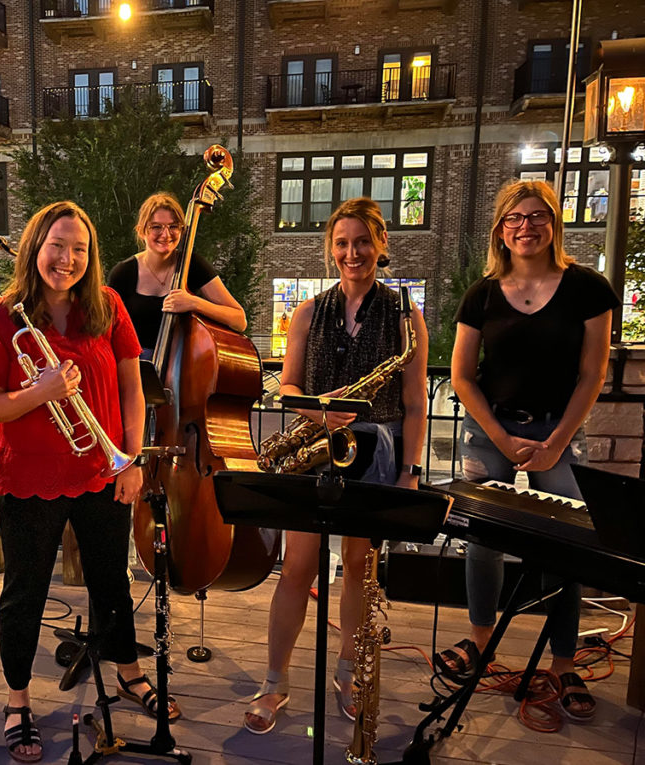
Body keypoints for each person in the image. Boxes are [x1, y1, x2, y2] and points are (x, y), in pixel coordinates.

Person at [0, 201, 181, 763]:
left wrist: (131, 459)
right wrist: (40, 393)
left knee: (110, 581)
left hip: (101, 473)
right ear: (35, 247)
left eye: (79, 249)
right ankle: (17, 702)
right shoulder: (0, 316)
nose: (67, 259)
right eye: (56, 246)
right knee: (24, 593)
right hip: (27, 481)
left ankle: (128, 674)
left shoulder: (107, 305)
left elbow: (134, 390)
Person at [243, 197, 428, 734]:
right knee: (297, 567)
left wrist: (410, 470)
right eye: (343, 243)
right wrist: (320, 411)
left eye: (363, 242)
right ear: (331, 249)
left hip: (377, 450)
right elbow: (290, 386)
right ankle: (274, 683)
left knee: (358, 571)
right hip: (319, 447)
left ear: (381, 246)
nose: (353, 252)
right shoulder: (308, 310)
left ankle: (349, 674)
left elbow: (415, 403)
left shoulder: (403, 314)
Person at [436, 179, 617, 722]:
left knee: (566, 548)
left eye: (537, 216)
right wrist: (503, 439)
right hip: (491, 430)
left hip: (558, 433)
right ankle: (480, 642)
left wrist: (554, 443)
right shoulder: (482, 293)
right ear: (501, 229)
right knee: (482, 543)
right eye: (514, 218)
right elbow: (464, 377)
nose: (526, 227)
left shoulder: (587, 287)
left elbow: (593, 373)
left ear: (554, 223)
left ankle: (563, 662)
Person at [107, 191, 246, 352]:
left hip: (183, 368)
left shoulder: (192, 265)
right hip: (135, 368)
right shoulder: (123, 273)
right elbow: (107, 332)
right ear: (141, 231)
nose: (166, 234)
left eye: (173, 226)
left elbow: (239, 320)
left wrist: (194, 303)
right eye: (156, 227)